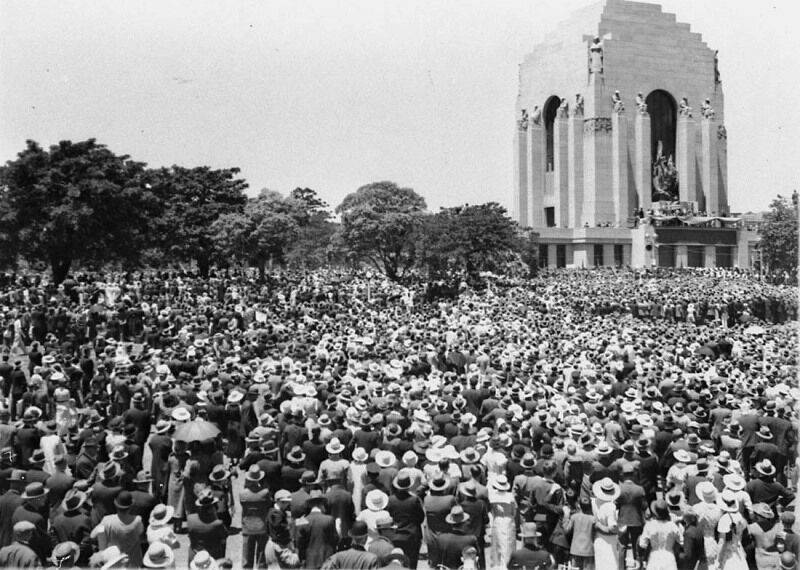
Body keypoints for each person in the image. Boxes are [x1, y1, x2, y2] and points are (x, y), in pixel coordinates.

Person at [90, 490, 145, 568]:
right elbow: (140, 534)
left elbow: (92, 535)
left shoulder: (107, 520)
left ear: (116, 505)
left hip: (115, 563)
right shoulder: (138, 520)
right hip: (134, 563)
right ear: (130, 507)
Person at [639, 499, 682, 570]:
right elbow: (681, 541)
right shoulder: (672, 525)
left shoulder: (650, 525)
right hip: (669, 558)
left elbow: (642, 544)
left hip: (654, 557)